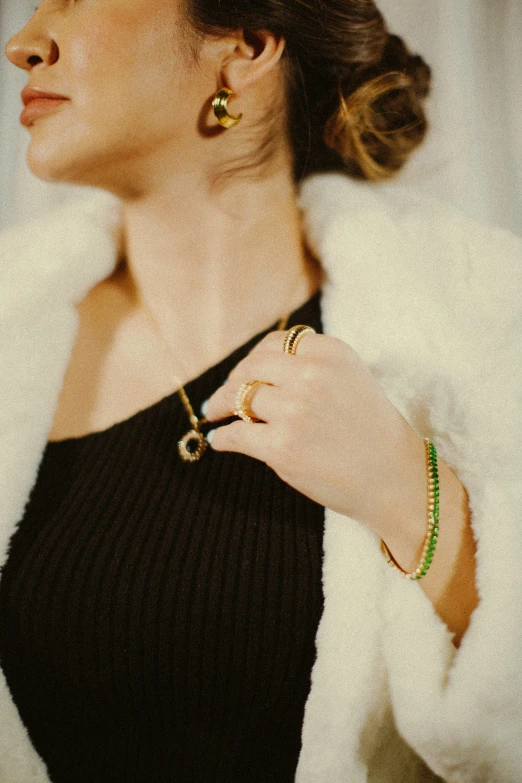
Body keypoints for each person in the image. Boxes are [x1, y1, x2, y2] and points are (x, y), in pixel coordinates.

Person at [0, 0, 520, 781]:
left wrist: (412, 493)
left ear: (243, 48)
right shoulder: (12, 332)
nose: (23, 42)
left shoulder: (483, 315)